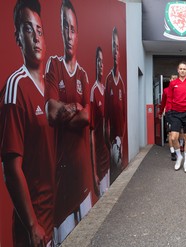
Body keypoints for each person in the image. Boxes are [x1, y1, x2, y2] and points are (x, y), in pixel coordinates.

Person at [0, 1, 56, 246]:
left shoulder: (50, 89)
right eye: (28, 29)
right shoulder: (15, 88)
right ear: (18, 37)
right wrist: (32, 225)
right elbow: (11, 168)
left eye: (39, 30)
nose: (35, 37)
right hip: (33, 230)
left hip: (54, 217)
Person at [45, 0, 93, 244]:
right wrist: (74, 107)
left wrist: (69, 113)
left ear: (77, 33)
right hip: (62, 187)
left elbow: (87, 117)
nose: (69, 34)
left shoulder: (83, 75)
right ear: (60, 30)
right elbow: (52, 113)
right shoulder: (53, 66)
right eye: (65, 27)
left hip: (83, 183)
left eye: (72, 28)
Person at [168, 61, 186, 173]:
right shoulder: (173, 83)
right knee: (174, 137)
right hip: (175, 113)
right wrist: (169, 110)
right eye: (180, 69)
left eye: (184, 69)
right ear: (177, 70)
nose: (182, 71)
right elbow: (169, 98)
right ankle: (179, 157)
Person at [105, 27, 126, 176]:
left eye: (117, 47)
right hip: (111, 143)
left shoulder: (122, 84)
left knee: (119, 171)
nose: (115, 51)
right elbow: (105, 118)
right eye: (113, 47)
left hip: (119, 142)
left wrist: (122, 140)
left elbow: (124, 116)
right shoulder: (108, 80)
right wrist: (109, 144)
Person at [90, 47, 111, 197]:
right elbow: (91, 133)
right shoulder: (94, 91)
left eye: (102, 62)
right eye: (98, 61)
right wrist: (94, 172)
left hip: (107, 155)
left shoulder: (106, 89)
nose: (101, 65)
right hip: (99, 159)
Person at [159, 74, 178, 161]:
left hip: (179, 113)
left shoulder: (180, 89)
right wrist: (160, 112)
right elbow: (163, 103)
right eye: (172, 78)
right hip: (169, 113)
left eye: (175, 78)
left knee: (178, 134)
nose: (174, 80)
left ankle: (178, 149)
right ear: (170, 80)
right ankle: (172, 152)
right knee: (170, 134)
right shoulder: (166, 90)